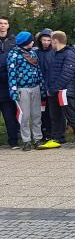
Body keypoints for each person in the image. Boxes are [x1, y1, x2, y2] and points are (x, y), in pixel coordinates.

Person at [39, 30, 75, 150]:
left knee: (71, 115)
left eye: (51, 40)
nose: (49, 43)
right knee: (54, 116)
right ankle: (56, 138)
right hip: (52, 91)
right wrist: (49, 88)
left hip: (64, 92)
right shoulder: (55, 54)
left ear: (55, 41)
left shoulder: (69, 54)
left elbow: (66, 75)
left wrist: (53, 89)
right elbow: (51, 73)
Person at [6, 31, 43, 150]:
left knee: (37, 115)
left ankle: (37, 138)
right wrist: (13, 91)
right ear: (25, 43)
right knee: (25, 116)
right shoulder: (13, 55)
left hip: (35, 86)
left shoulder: (33, 53)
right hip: (22, 89)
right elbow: (11, 74)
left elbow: (38, 70)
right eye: (31, 40)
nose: (33, 42)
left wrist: (41, 86)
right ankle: (26, 140)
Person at [0, 16, 20, 148]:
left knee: (9, 114)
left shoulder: (14, 41)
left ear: (8, 25)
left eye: (4, 23)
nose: (2, 25)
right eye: (0, 23)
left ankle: (13, 141)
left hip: (8, 80)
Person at [33, 29, 53, 140]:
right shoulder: (36, 53)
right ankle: (43, 133)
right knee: (41, 111)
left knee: (52, 112)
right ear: (40, 40)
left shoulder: (54, 52)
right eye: (44, 40)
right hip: (39, 86)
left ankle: (54, 132)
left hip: (51, 86)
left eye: (48, 40)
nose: (46, 42)